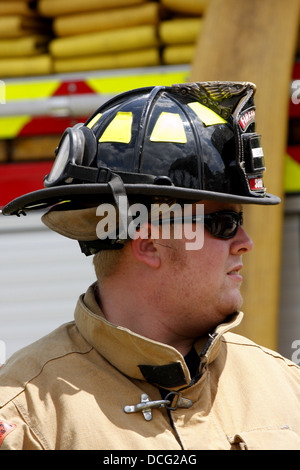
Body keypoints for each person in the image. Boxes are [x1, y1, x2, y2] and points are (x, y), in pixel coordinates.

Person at [1, 81, 300, 451]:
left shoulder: (284, 386)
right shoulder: (27, 416)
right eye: (224, 224)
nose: (246, 243)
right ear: (149, 243)